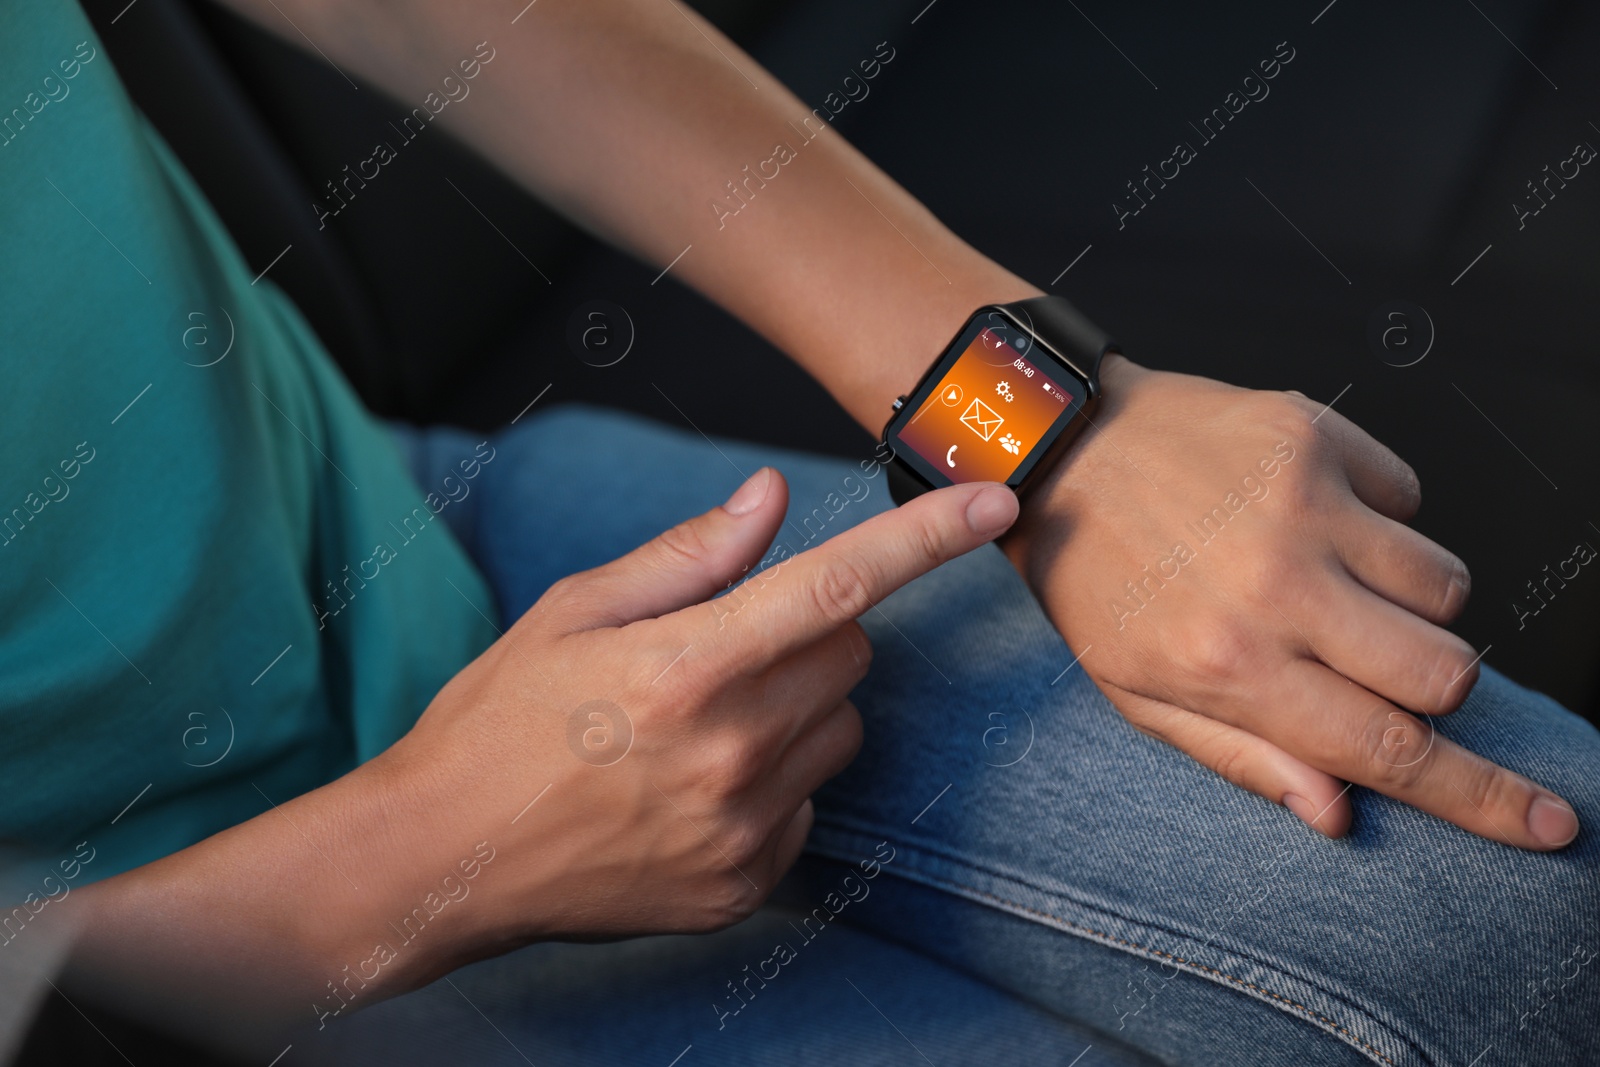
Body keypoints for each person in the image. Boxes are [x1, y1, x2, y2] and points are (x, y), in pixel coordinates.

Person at [0, 0, 1593, 1064]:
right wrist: (404, 877)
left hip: (384, 519)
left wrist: (1046, 419)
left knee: (1546, 924)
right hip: (178, 977)